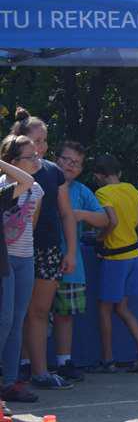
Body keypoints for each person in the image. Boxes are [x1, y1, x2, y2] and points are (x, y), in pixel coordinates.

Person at [8, 109, 78, 390]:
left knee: (38, 311)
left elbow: (66, 214)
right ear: (21, 141)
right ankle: (16, 371)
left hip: (47, 249)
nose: (41, 147)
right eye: (36, 141)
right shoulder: (8, 173)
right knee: (14, 314)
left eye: (45, 141)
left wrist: (70, 251)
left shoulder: (53, 172)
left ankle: (40, 372)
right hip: (12, 252)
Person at [92, 154, 138, 373]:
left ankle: (107, 360)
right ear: (119, 173)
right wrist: (129, 225)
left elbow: (111, 221)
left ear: (99, 176)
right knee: (121, 308)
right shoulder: (130, 189)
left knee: (104, 309)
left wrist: (99, 239)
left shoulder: (102, 193)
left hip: (115, 258)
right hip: (134, 256)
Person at [52, 142, 111, 382]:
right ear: (56, 159)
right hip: (36, 259)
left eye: (76, 163)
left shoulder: (82, 191)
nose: (70, 165)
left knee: (65, 314)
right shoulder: (40, 182)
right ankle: (25, 364)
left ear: (81, 169)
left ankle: (63, 362)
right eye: (66, 159)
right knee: (33, 315)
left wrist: (80, 214)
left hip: (71, 262)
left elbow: (105, 219)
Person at [0, 135, 46, 405]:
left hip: (24, 258)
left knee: (17, 321)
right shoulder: (3, 186)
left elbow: (31, 223)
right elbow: (24, 180)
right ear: (13, 162)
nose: (37, 160)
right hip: (4, 261)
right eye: (30, 157)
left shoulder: (37, 189)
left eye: (37, 155)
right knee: (4, 320)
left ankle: (9, 382)